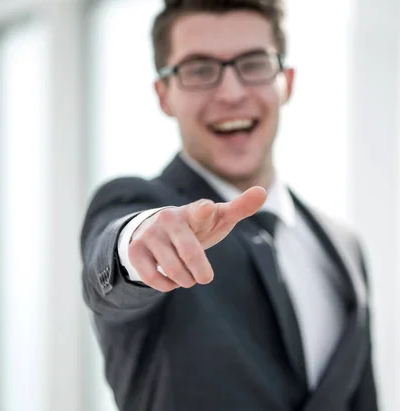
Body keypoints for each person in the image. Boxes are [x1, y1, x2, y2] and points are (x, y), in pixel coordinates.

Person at [80, 1, 380, 410]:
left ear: (286, 82)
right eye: (199, 70)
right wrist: (136, 245)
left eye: (254, 64)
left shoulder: (344, 247)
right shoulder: (138, 206)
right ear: (163, 95)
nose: (232, 92)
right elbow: (111, 255)